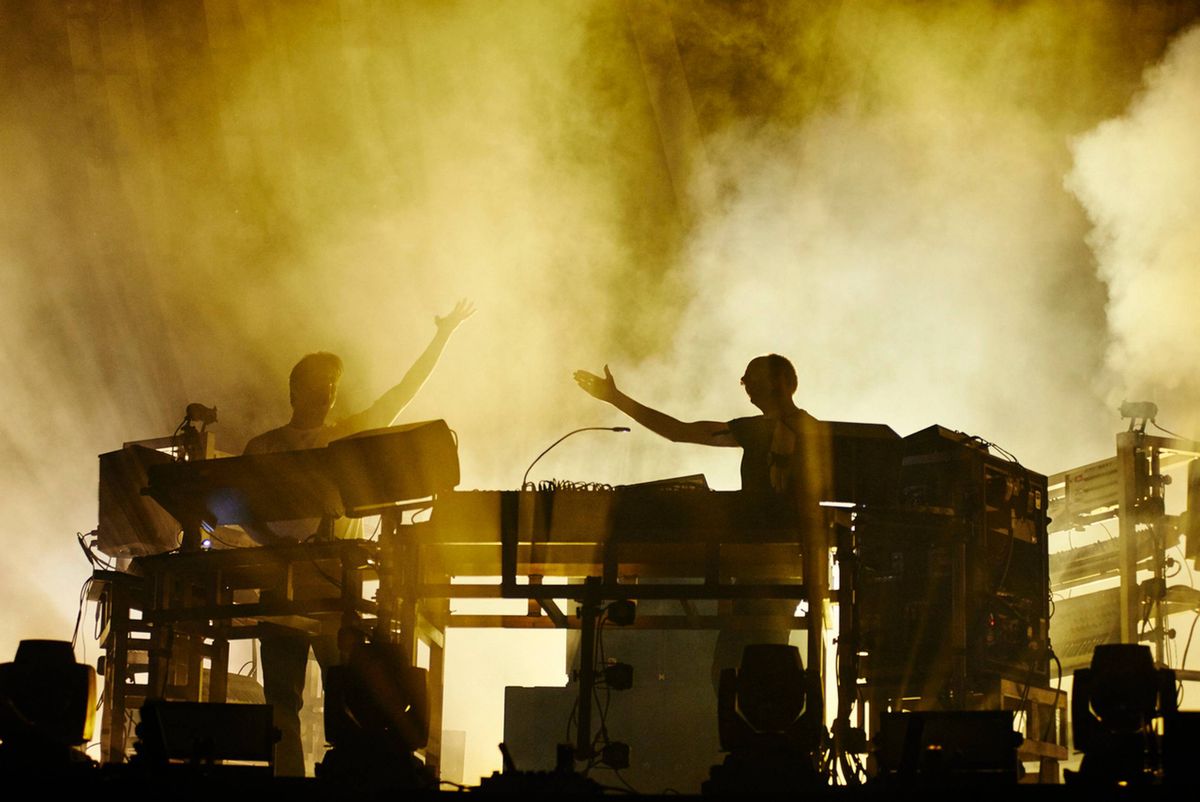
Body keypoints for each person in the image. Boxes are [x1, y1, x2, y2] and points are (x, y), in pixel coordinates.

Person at [246, 299, 474, 776]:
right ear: (295, 389)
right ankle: (287, 786)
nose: (328, 393)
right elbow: (241, 505)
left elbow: (401, 393)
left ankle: (342, 783)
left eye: (333, 386)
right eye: (320, 384)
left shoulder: (344, 438)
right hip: (281, 592)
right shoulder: (264, 447)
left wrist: (443, 334)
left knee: (347, 697)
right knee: (282, 702)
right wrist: (273, 545)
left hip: (335, 592)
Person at [573, 355, 830, 689]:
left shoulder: (790, 430)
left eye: (752, 378)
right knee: (746, 662)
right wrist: (616, 398)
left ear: (780, 381)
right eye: (745, 380)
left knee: (741, 665)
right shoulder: (771, 430)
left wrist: (615, 398)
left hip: (775, 565)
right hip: (771, 565)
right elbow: (679, 432)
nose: (746, 385)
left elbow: (679, 432)